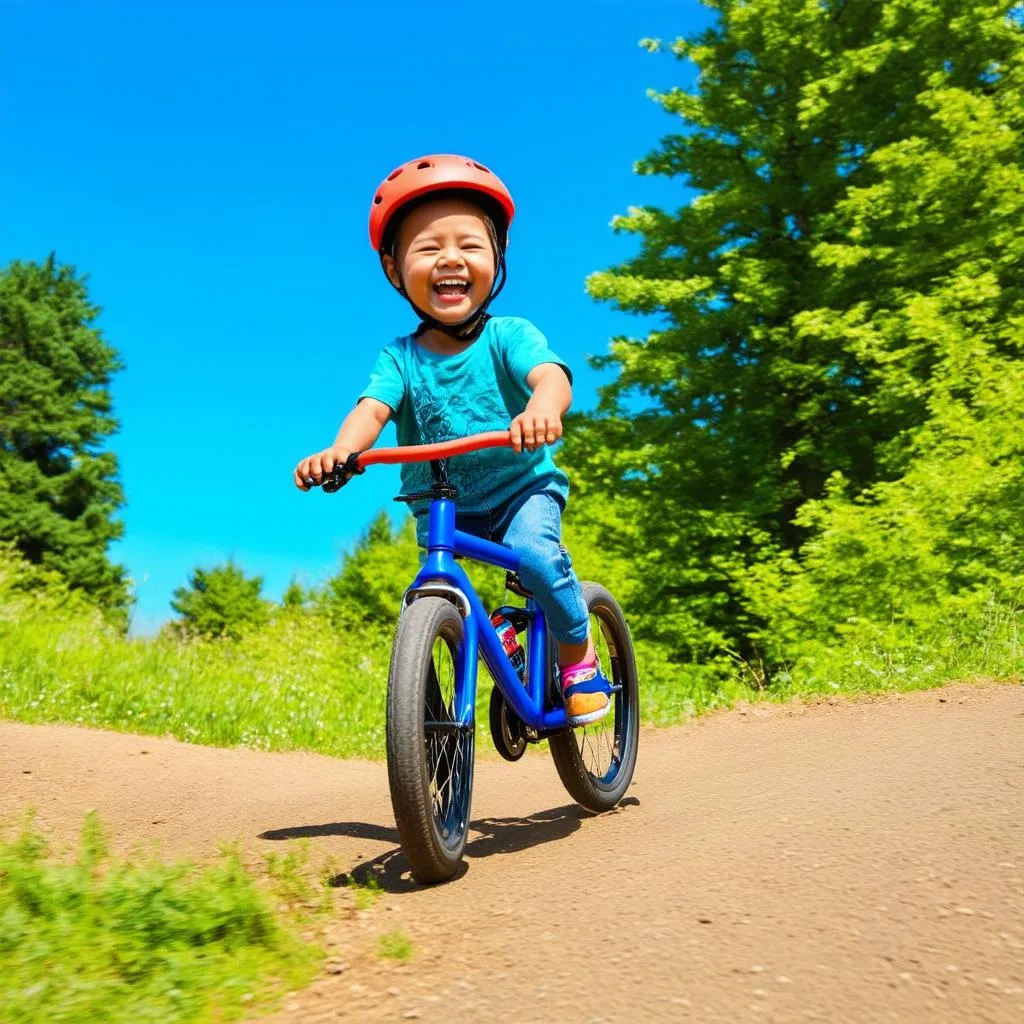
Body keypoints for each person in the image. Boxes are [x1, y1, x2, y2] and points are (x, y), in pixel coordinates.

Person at [294, 154, 611, 726]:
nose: (450, 258)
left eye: (469, 244)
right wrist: (341, 450)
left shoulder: (508, 336)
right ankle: (450, 700)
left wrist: (542, 407)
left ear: (497, 259)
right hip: (442, 503)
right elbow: (370, 411)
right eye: (428, 247)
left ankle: (576, 655)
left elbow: (550, 376)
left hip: (520, 488)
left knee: (538, 557)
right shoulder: (400, 357)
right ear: (395, 271)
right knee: (435, 596)